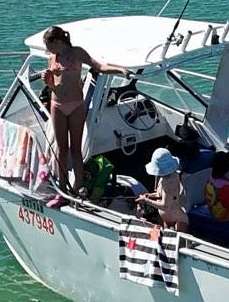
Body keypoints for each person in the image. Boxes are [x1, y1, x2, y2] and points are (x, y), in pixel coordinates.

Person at [37, 25, 128, 196]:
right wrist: (47, 81)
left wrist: (120, 70)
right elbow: (52, 85)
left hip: (76, 105)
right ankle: (62, 188)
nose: (47, 49)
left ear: (57, 41)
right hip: (57, 104)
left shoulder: (77, 53)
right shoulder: (52, 57)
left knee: (75, 149)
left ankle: (79, 187)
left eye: (47, 45)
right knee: (61, 148)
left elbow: (98, 66)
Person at [136, 148, 188, 232]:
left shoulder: (168, 183)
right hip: (168, 219)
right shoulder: (170, 176)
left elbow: (165, 206)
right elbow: (163, 195)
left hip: (176, 222)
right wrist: (150, 195)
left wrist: (146, 200)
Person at [200, 149, 229, 221]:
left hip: (212, 208)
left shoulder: (211, 178)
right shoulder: (223, 186)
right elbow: (227, 204)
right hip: (221, 214)